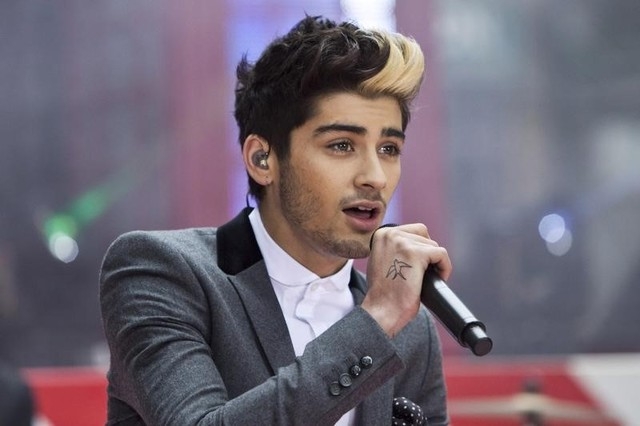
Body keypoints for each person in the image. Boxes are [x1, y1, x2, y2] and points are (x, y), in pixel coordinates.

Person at [100, 15, 452, 425]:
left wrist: (382, 317)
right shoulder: (161, 271)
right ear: (262, 159)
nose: (375, 176)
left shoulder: (411, 328)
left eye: (389, 148)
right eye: (342, 145)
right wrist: (376, 321)